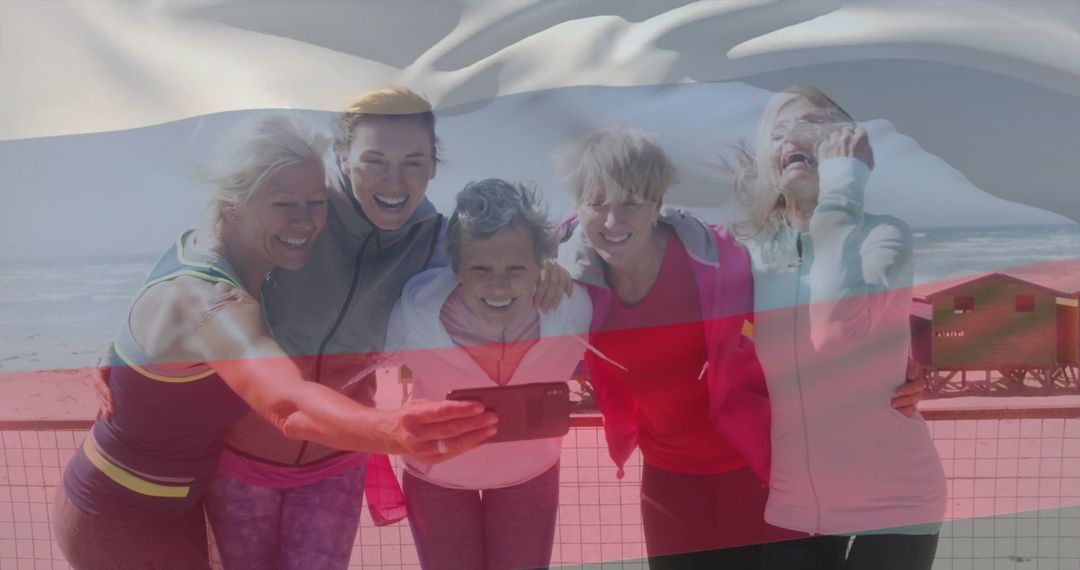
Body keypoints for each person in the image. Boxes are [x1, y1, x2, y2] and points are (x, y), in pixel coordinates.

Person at [55, 111, 498, 570]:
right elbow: (287, 402)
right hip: (120, 512)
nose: (305, 222)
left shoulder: (210, 246)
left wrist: (116, 350)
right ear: (233, 204)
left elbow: (156, 322)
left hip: (175, 503)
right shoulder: (212, 300)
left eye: (316, 202)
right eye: (284, 204)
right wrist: (390, 431)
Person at [556, 126, 927, 569]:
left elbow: (807, 317)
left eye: (631, 203)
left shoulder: (718, 258)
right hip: (668, 478)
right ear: (578, 207)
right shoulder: (571, 277)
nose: (612, 221)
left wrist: (890, 364)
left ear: (656, 204)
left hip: (754, 464)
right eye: (596, 203)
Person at [729, 84, 947, 569]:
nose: (794, 135)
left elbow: (835, 333)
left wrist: (843, 187)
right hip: (795, 503)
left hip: (898, 501)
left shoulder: (884, 235)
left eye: (814, 124)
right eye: (779, 131)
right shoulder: (755, 256)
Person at [384, 179, 591, 570]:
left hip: (529, 476)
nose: (498, 284)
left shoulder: (573, 308)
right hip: (437, 480)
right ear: (456, 266)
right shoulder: (412, 313)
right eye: (480, 268)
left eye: (516, 268)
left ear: (540, 264)